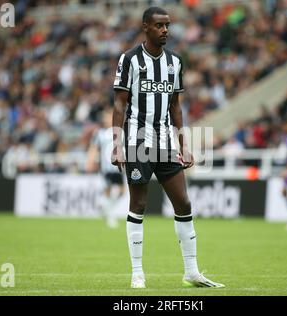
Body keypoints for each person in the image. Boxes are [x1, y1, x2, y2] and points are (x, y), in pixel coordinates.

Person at [111, 7, 225, 289]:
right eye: (160, 25)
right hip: (137, 141)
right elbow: (119, 104)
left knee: (184, 203)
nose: (165, 30)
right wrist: (117, 144)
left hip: (165, 143)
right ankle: (137, 272)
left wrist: (184, 145)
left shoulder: (175, 62)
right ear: (145, 27)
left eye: (168, 25)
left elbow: (175, 106)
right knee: (138, 204)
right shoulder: (130, 60)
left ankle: (192, 272)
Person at [87, 108, 125, 228]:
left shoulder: (120, 132)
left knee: (122, 192)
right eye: (105, 117)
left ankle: (104, 206)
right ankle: (110, 217)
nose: (107, 119)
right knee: (108, 191)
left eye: (109, 117)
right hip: (106, 168)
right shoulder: (100, 133)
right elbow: (94, 147)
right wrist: (90, 160)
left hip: (119, 168)